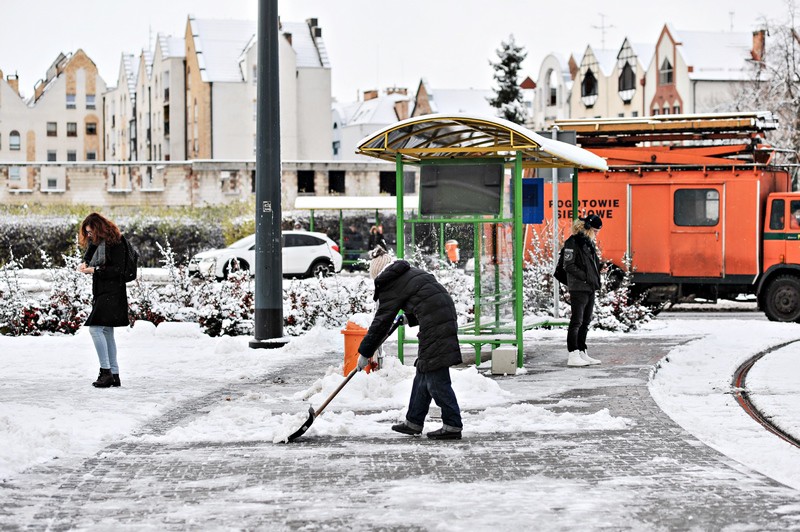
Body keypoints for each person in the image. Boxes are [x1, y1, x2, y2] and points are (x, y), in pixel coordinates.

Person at [357, 247, 463, 440]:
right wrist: (409, 317)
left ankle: (452, 425)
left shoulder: (390, 283)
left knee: (436, 376)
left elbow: (381, 322)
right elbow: (427, 298)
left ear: (378, 273)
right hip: (441, 317)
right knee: (424, 371)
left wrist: (365, 352)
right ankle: (413, 422)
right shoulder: (407, 273)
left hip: (436, 323)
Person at [78, 213, 131, 388]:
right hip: (101, 291)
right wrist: (85, 264)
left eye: (91, 232)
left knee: (95, 329)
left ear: (99, 229)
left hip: (113, 292)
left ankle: (106, 371)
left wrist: (94, 270)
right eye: (87, 233)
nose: (89, 236)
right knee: (107, 331)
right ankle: (114, 375)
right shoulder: (97, 242)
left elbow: (118, 270)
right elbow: (89, 256)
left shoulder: (116, 242)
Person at [563, 214, 605, 367]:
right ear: (587, 228)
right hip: (578, 287)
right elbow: (569, 265)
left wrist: (599, 269)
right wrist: (586, 277)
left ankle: (581, 351)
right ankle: (572, 354)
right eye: (595, 230)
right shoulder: (573, 242)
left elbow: (588, 265)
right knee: (577, 321)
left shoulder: (588, 244)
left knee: (585, 321)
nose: (597, 233)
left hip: (589, 286)